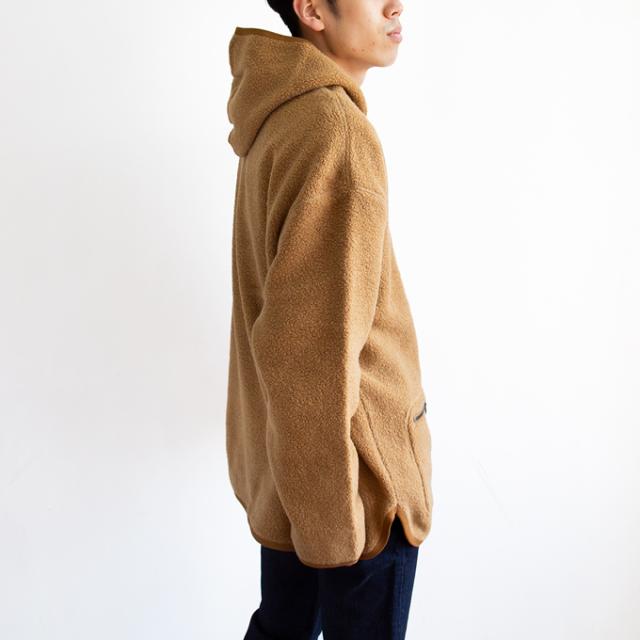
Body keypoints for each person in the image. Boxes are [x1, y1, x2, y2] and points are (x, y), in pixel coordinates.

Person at [225, 1, 434, 637]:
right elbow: (308, 352)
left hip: (297, 471)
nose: (396, 6)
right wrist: (334, 530)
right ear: (312, 9)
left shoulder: (282, 114)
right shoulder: (334, 132)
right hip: (354, 487)